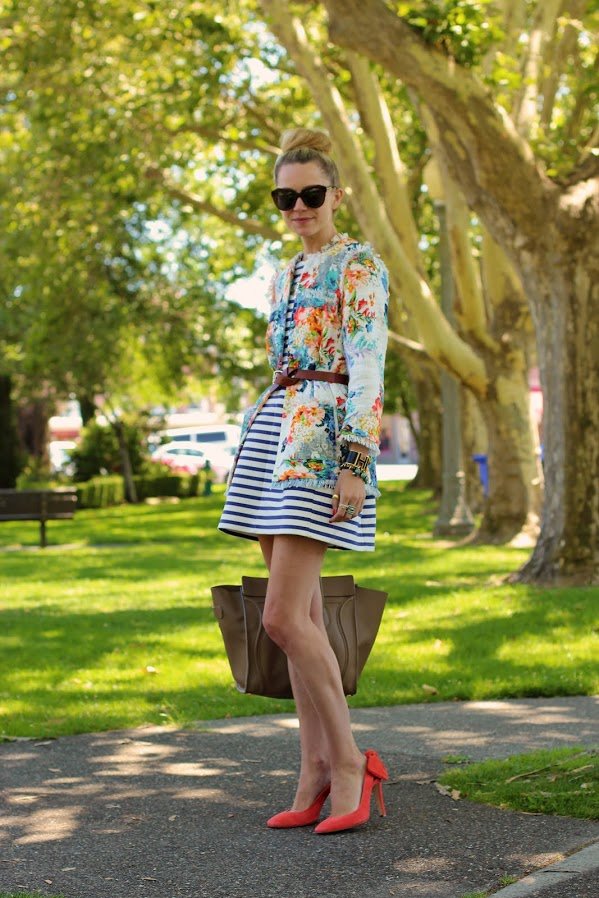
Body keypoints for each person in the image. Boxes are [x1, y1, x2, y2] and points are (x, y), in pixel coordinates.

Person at [217, 127, 389, 834]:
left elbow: (369, 363)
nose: (297, 206)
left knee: (281, 617)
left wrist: (355, 460)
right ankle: (313, 765)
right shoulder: (285, 272)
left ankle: (349, 761)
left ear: (336, 196)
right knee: (301, 622)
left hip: (321, 442)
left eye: (310, 194)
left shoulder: (358, 264)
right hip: (275, 433)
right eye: (285, 196)